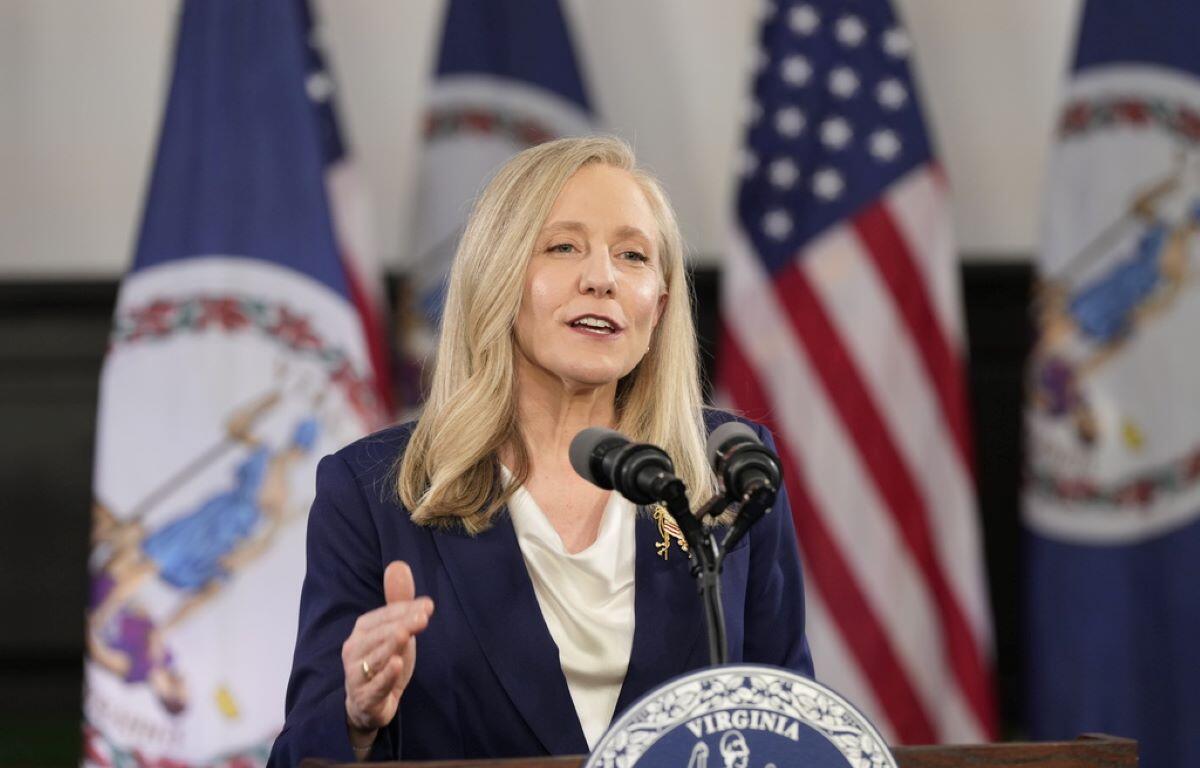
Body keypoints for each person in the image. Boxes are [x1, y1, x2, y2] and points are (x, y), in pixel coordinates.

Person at [268, 137, 813, 765]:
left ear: (658, 307)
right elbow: (300, 757)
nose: (602, 279)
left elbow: (793, 726)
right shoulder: (374, 491)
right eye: (563, 247)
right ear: (496, 278)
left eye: (633, 256)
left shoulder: (725, 473)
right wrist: (356, 719)